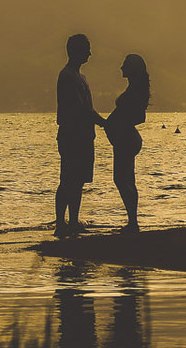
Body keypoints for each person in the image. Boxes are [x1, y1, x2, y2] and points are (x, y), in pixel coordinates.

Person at [55, 34, 104, 237]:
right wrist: (105, 124)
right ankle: (60, 223)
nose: (90, 53)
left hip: (84, 136)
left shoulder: (79, 77)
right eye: (87, 49)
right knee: (68, 179)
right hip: (72, 135)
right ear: (76, 51)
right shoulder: (67, 76)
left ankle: (73, 221)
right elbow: (82, 108)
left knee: (77, 181)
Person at [104, 54, 150, 233]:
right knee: (128, 179)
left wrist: (119, 123)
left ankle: (133, 222)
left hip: (126, 138)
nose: (121, 68)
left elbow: (139, 117)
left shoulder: (136, 91)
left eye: (124, 65)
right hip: (125, 138)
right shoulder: (134, 88)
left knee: (121, 179)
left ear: (132, 68)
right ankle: (133, 221)